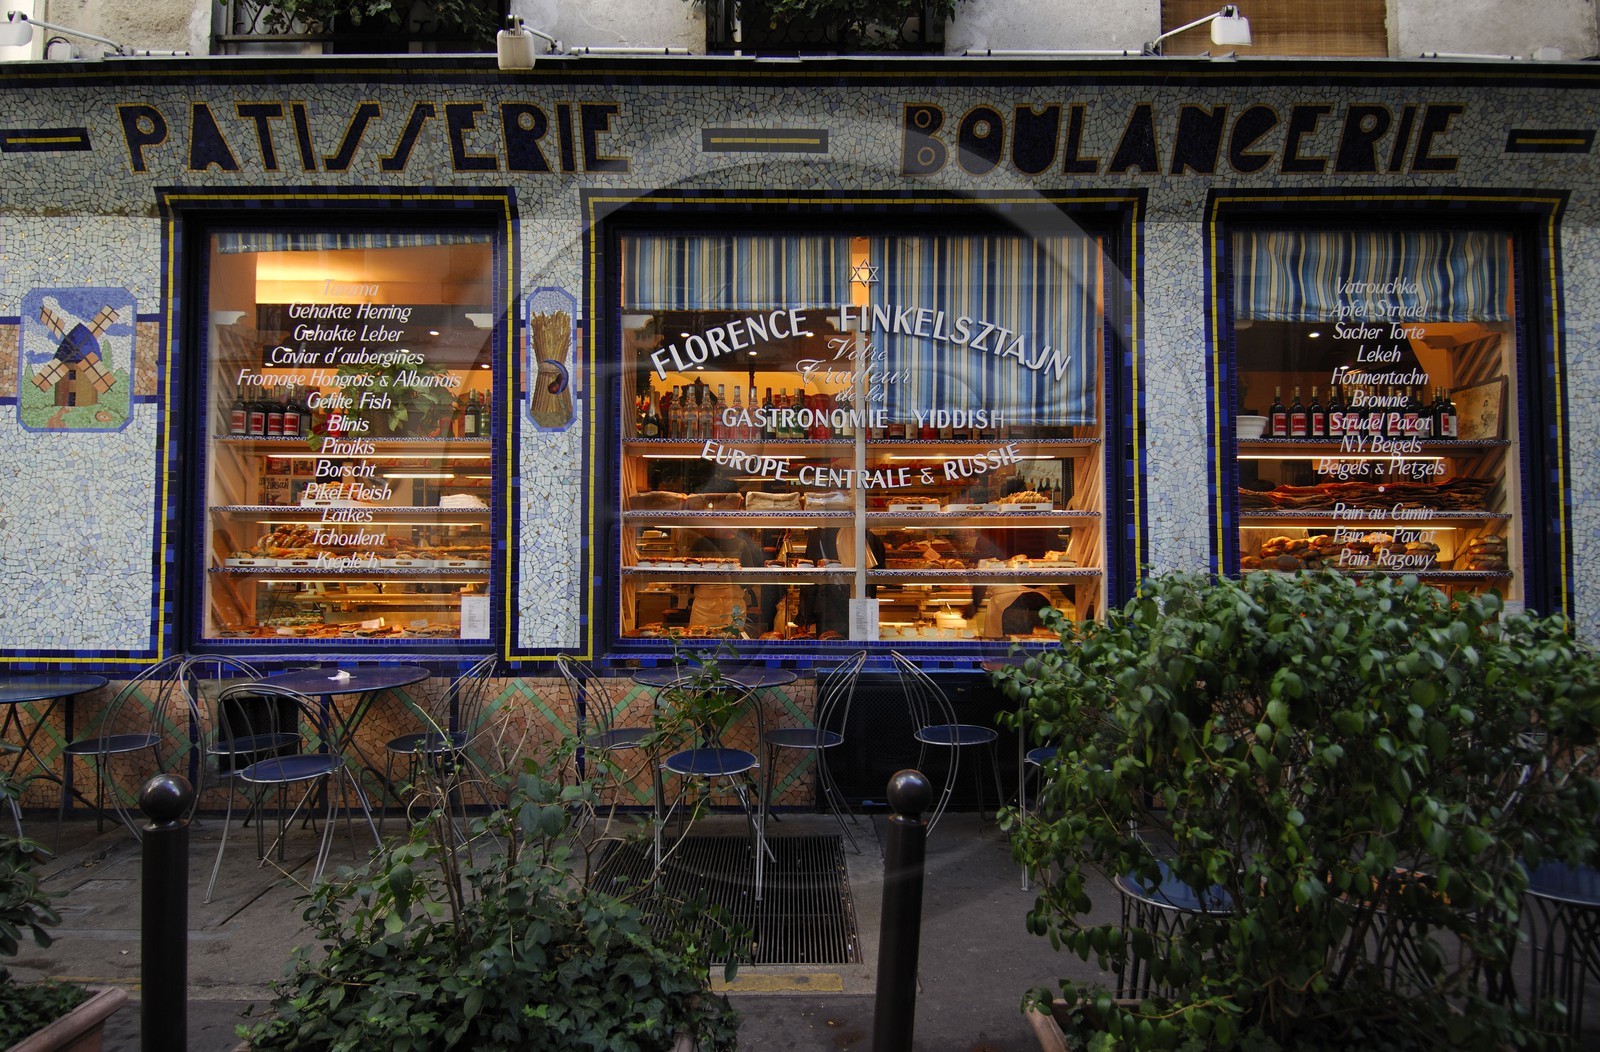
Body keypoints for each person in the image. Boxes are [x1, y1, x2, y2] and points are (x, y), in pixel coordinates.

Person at [797, 527, 886, 638]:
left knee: (831, 649)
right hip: (862, 608)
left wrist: (804, 617)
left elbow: (811, 577)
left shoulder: (819, 535)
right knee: (861, 649)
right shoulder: (871, 538)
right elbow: (881, 577)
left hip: (830, 609)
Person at [687, 528, 768, 634]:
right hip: (703, 607)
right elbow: (689, 575)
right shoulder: (700, 543)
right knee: (700, 641)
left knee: (733, 644)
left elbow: (749, 578)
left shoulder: (740, 544)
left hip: (734, 605)